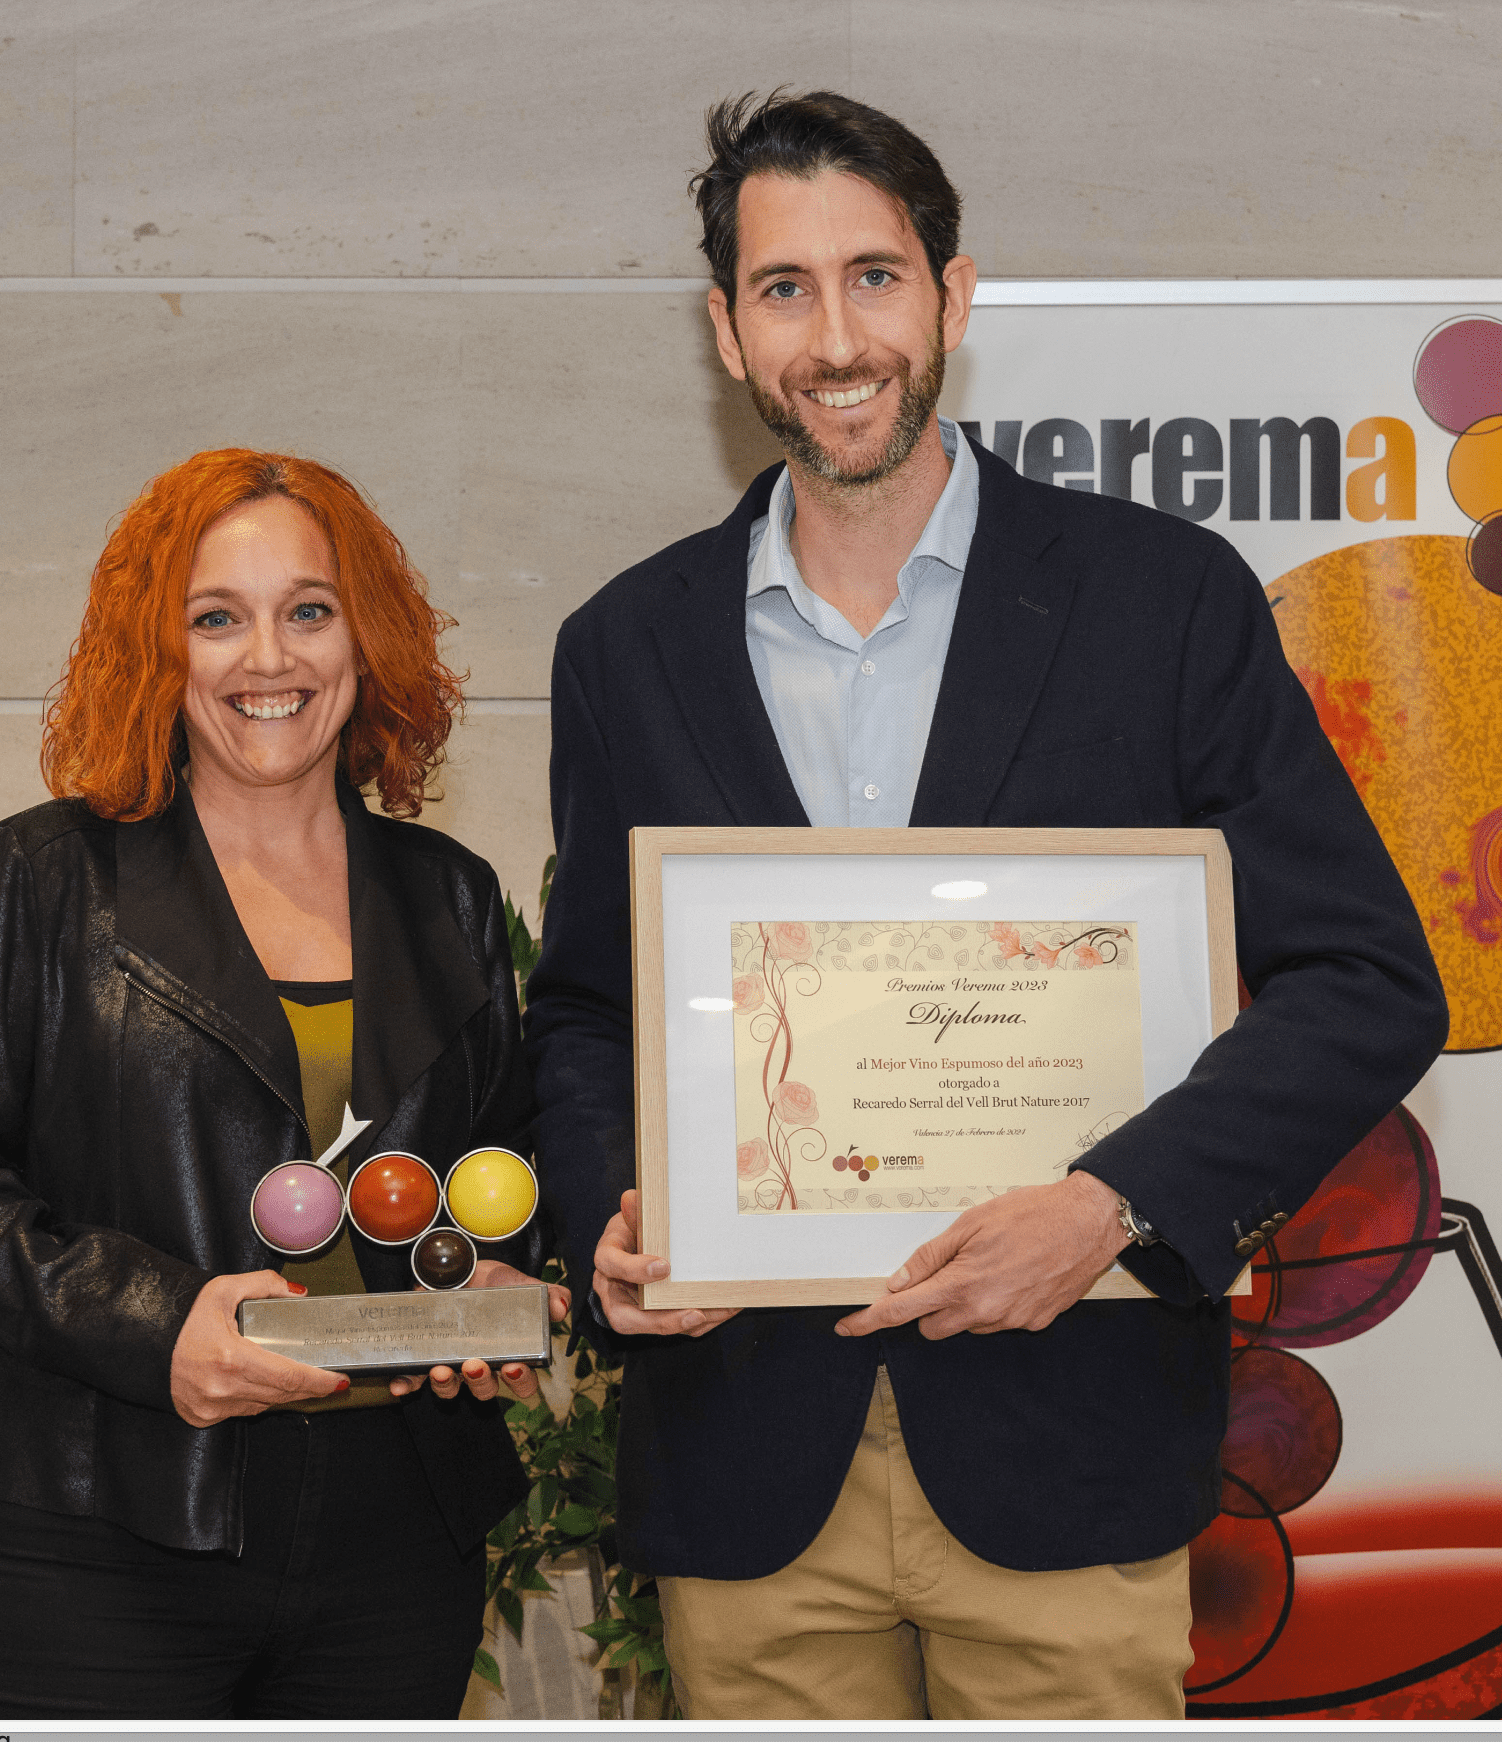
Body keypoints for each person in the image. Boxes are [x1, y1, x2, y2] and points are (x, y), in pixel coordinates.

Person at [524, 92, 1448, 1720]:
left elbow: (1367, 978)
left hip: (1069, 1445)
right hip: (749, 1463)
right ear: (727, 332)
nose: (836, 338)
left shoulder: (1162, 600)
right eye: (786, 288)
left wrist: (1114, 1202)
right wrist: (612, 1208)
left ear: (953, 296)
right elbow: (591, 1008)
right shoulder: (625, 646)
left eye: (874, 277)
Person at [0, 449, 566, 1720]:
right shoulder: (43, 875)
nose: (269, 657)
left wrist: (492, 1278)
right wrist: (159, 1321)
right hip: (100, 1527)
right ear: (160, 650)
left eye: (309, 609)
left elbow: (498, 1165)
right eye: (216, 617)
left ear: (364, 635)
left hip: (398, 1544)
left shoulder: (449, 895)